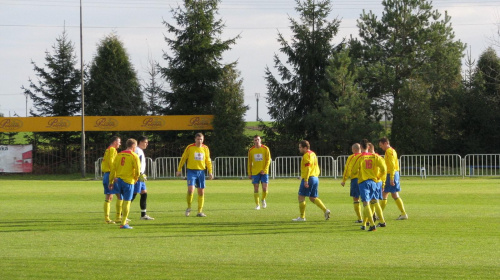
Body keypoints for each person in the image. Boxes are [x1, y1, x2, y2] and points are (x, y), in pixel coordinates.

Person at [351, 139, 387, 231]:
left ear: (361, 147)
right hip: (374, 182)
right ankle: (382, 221)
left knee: (365, 203)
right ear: (368, 147)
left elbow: (354, 170)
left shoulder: (359, 157)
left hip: (364, 182)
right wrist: (378, 177)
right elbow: (384, 169)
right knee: (375, 201)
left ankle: (371, 224)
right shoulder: (375, 157)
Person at [292, 140, 331, 222]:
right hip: (315, 178)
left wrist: (306, 180)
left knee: (301, 196)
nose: (299, 149)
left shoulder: (306, 156)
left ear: (305, 148)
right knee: (313, 197)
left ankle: (302, 217)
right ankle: (325, 210)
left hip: (309, 178)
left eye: (300, 147)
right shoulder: (313, 154)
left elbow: (308, 168)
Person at [176, 133, 213, 217]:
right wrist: (179, 169)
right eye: (198, 139)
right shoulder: (190, 147)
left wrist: (210, 171)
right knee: (191, 190)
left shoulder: (205, 148)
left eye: (201, 139)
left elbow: (208, 160)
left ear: (203, 140)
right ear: (195, 139)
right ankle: (189, 207)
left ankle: (200, 211)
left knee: (201, 192)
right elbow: (183, 158)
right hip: (191, 171)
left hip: (201, 172)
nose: (199, 141)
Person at [109, 138, 141, 229]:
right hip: (128, 181)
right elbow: (138, 170)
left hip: (118, 180)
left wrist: (111, 181)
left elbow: (113, 169)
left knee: (120, 199)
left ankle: (118, 217)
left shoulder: (118, 155)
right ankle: (123, 223)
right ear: (134, 146)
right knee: (127, 201)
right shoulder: (134, 156)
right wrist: (136, 178)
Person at [378, 137, 408, 220]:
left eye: (381, 145)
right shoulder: (392, 150)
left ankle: (378, 214)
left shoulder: (389, 151)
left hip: (391, 174)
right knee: (393, 194)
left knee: (385, 193)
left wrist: (391, 178)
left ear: (385, 143)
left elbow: (391, 166)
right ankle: (403, 213)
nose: (381, 147)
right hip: (393, 174)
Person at [101, 136, 122, 224]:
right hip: (111, 174)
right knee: (119, 195)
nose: (120, 144)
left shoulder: (108, 149)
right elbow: (111, 163)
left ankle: (110, 218)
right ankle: (117, 217)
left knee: (110, 196)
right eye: (119, 142)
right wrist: (114, 175)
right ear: (114, 142)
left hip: (107, 174)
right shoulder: (112, 150)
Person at [132, 135, 154, 220]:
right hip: (138, 176)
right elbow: (135, 163)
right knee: (133, 195)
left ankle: (143, 215)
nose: (147, 144)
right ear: (140, 142)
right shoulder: (137, 150)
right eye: (145, 142)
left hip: (141, 176)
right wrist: (139, 174)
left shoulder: (140, 150)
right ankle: (122, 214)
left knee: (144, 193)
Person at [247, 135, 271, 210]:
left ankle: (263, 199)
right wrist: (249, 172)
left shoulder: (265, 149)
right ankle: (257, 205)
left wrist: (264, 169)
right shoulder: (251, 150)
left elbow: (268, 160)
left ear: (260, 140)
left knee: (264, 188)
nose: (256, 141)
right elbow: (249, 162)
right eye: (255, 140)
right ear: (253, 141)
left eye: (258, 140)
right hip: (255, 172)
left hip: (264, 172)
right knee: (256, 188)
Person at [340, 143, 362, 223]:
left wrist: (344, 180)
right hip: (366, 179)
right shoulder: (365, 156)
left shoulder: (352, 157)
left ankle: (360, 218)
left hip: (355, 179)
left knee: (356, 199)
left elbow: (347, 169)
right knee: (367, 199)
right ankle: (371, 216)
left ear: (354, 150)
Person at [367, 142, 387, 227]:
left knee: (373, 201)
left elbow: (384, 170)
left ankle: (381, 221)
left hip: (374, 181)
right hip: (378, 181)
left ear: (369, 148)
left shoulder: (373, 158)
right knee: (373, 201)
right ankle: (372, 217)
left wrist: (378, 178)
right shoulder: (378, 157)